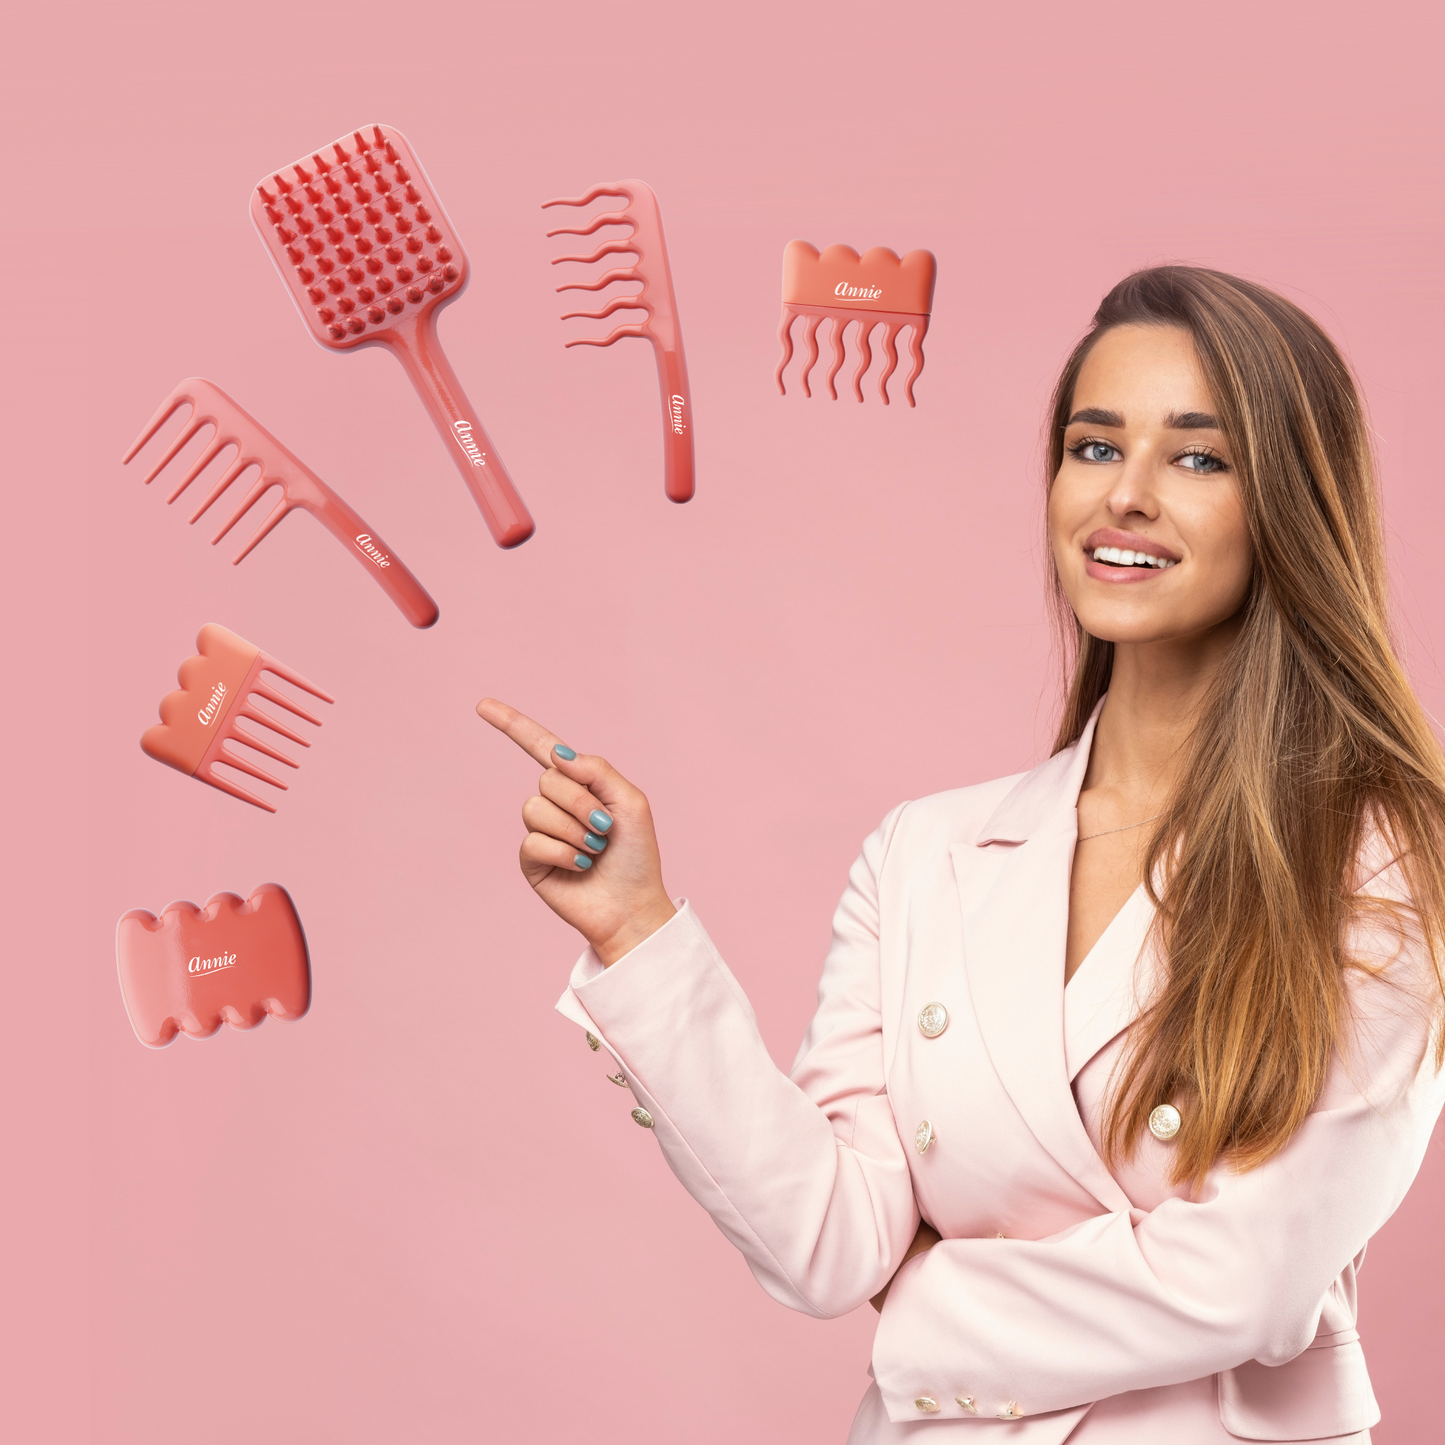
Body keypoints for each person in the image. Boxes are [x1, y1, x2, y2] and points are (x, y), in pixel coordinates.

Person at [477, 266, 1445, 1443]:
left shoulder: (1378, 851)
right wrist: (636, 927)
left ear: (1289, 503)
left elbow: (1245, 1278)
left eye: (1198, 458)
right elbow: (829, 1238)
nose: (1126, 495)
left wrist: (923, 1303)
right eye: (1093, 446)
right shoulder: (924, 851)